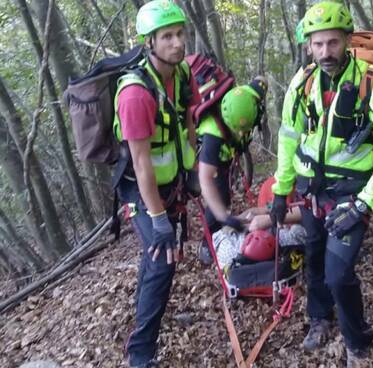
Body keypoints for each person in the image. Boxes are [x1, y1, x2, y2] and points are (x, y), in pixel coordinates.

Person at [270, 2, 373, 367]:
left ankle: (357, 340)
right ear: (309, 46)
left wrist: (365, 204)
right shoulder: (303, 83)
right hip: (312, 191)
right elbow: (288, 137)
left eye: (332, 43)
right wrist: (281, 192)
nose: (325, 52)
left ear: (347, 40)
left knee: (339, 272)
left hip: (352, 195)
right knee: (314, 256)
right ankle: (319, 318)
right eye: (318, 45)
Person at [112, 1, 200, 367]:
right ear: (149, 42)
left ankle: (142, 334)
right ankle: (140, 355)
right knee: (163, 264)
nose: (177, 43)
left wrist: (192, 172)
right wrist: (158, 217)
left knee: (157, 264)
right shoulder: (135, 94)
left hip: (172, 184)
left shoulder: (181, 74)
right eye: (167, 36)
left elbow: (189, 123)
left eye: (180, 34)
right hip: (143, 191)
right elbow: (142, 162)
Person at [196, 78, 267, 264]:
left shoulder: (249, 96)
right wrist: (223, 216)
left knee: (225, 195)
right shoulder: (213, 135)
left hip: (226, 153)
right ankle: (208, 241)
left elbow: (261, 81)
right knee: (219, 196)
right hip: (214, 160)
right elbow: (205, 179)